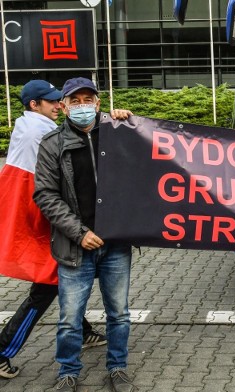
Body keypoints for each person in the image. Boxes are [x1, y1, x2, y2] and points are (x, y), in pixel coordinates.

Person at [33, 78, 135, 392]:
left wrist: (131, 122)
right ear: (62, 106)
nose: (81, 106)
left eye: (87, 99)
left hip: (115, 245)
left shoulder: (119, 135)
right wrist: (80, 233)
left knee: (118, 313)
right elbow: (46, 195)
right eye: (74, 101)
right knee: (69, 318)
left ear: (98, 103)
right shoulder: (52, 144)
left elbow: (147, 165)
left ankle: (117, 367)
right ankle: (68, 372)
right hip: (74, 246)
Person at [0, 80, 107, 380]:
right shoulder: (42, 131)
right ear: (34, 105)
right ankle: (3, 349)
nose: (58, 106)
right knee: (46, 287)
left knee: (64, 278)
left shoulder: (25, 124)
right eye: (51, 102)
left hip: (37, 219)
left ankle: (83, 332)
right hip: (47, 222)